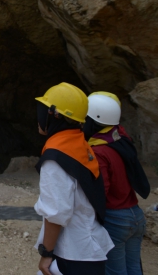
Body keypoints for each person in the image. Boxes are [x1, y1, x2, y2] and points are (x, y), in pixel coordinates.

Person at [34, 83, 114, 275]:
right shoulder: (81, 146)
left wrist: (46, 253)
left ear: (55, 115)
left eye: (44, 110)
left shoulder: (56, 158)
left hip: (74, 254)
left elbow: (56, 213)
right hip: (90, 246)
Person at [83, 92, 150, 275]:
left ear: (94, 121)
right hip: (135, 215)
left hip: (116, 219)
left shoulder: (99, 151)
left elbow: (100, 191)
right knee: (135, 269)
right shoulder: (121, 141)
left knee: (115, 272)